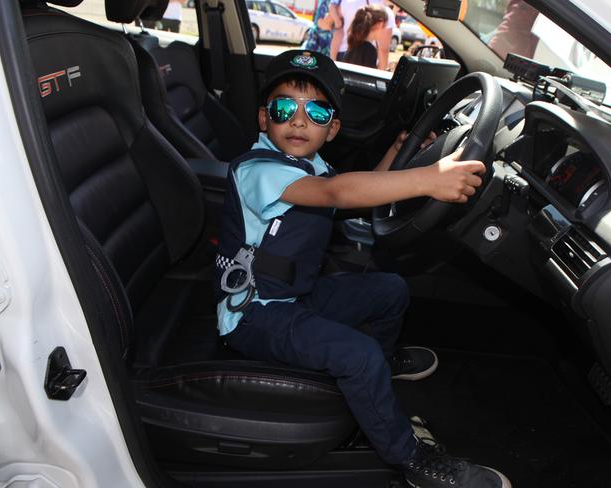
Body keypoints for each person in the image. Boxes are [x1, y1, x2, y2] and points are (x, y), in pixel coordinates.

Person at [214, 49, 511, 488]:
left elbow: (355, 189)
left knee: (390, 289)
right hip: (254, 314)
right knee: (358, 354)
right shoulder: (259, 171)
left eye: (315, 112)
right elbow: (336, 194)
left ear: (332, 129)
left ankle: (384, 369)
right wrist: (429, 178)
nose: (298, 121)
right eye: (283, 108)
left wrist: (399, 151)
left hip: (295, 295)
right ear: (264, 119)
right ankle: (409, 459)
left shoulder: (306, 166)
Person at [331, 0, 395, 69]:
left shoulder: (352, 47)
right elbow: (369, 77)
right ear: (379, 25)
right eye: (384, 26)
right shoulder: (370, 50)